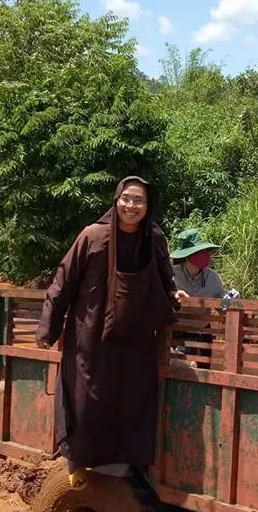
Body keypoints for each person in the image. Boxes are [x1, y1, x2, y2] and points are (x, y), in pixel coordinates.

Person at [35, 176, 186, 489]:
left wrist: (174, 294)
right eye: (126, 199)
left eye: (139, 201)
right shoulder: (92, 236)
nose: (131, 206)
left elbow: (165, 276)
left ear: (148, 206)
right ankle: (78, 459)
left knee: (133, 397)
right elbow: (63, 282)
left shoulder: (153, 238)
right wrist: (47, 330)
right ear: (116, 200)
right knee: (88, 397)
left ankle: (124, 465)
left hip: (136, 338)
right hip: (91, 337)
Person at [170, 228, 226, 367]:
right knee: (178, 374)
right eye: (200, 252)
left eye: (206, 252)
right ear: (189, 255)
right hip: (177, 333)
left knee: (203, 375)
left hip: (202, 333)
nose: (206, 255)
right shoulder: (171, 275)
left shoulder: (212, 277)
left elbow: (222, 307)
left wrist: (229, 301)